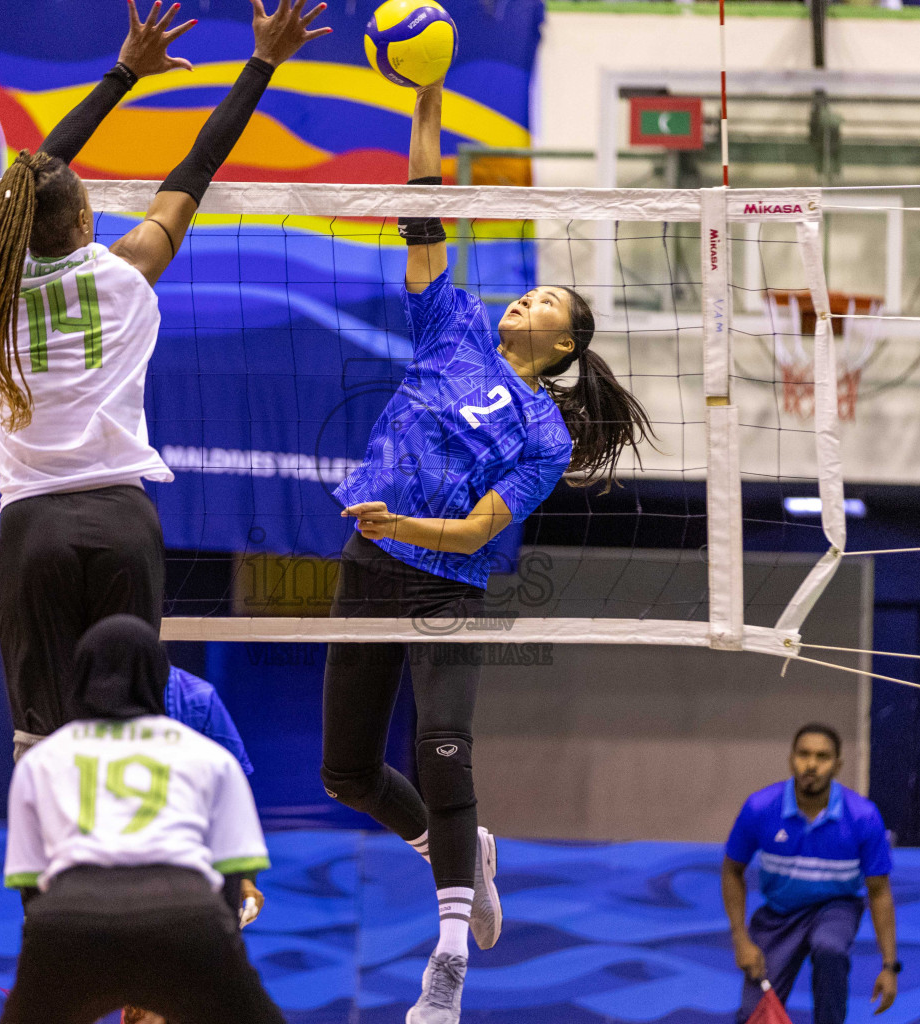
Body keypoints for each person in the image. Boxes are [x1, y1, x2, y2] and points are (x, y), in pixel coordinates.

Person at [318, 79, 656, 1024]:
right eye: (529, 288)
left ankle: (448, 963)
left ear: (562, 345)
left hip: (448, 586)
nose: (526, 297)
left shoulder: (546, 435)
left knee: (442, 750)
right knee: (343, 772)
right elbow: (422, 207)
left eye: (546, 299)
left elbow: (474, 533)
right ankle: (461, 851)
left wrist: (401, 525)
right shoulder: (453, 325)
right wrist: (426, 97)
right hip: (371, 569)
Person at [0, 0, 331, 762]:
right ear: (87, 222)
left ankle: (45, 884)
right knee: (128, 733)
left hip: (33, 530)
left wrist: (121, 74)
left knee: (38, 743)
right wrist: (262, 64)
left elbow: (30, 180)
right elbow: (196, 170)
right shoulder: (128, 271)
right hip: (122, 521)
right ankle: (135, 876)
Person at [1, 615, 282, 1024]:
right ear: (158, 678)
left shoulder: (41, 760)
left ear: (78, 677)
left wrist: (47, 961)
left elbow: (30, 880)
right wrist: (219, 956)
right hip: (184, 918)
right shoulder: (210, 757)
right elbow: (232, 871)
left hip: (72, 922)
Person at [722, 724, 900, 1023]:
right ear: (791, 758)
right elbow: (732, 870)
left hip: (835, 908)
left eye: (823, 756)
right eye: (804, 754)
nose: (812, 764)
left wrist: (889, 966)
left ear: (837, 765)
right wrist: (741, 939)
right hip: (778, 915)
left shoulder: (863, 816)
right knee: (752, 1017)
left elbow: (879, 892)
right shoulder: (760, 807)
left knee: (829, 947)